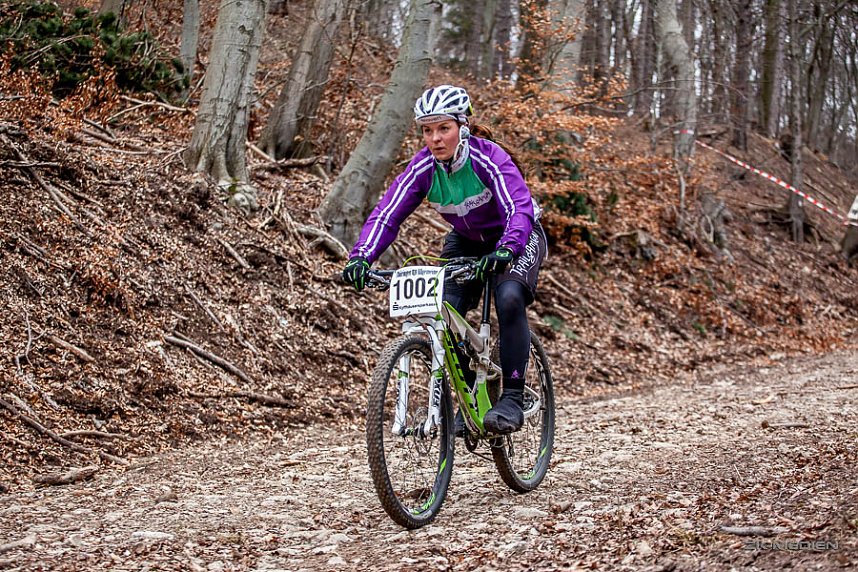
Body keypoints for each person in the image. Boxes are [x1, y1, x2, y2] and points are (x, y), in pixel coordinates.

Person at [342, 85, 547, 435]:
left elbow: (519, 207)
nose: (435, 139)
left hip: (517, 236)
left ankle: (512, 395)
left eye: (443, 128)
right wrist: (361, 256)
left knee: (509, 297)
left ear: (462, 126)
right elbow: (387, 215)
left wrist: (507, 248)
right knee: (442, 312)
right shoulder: (423, 167)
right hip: (466, 242)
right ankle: (470, 398)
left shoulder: (488, 157)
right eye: (427, 130)